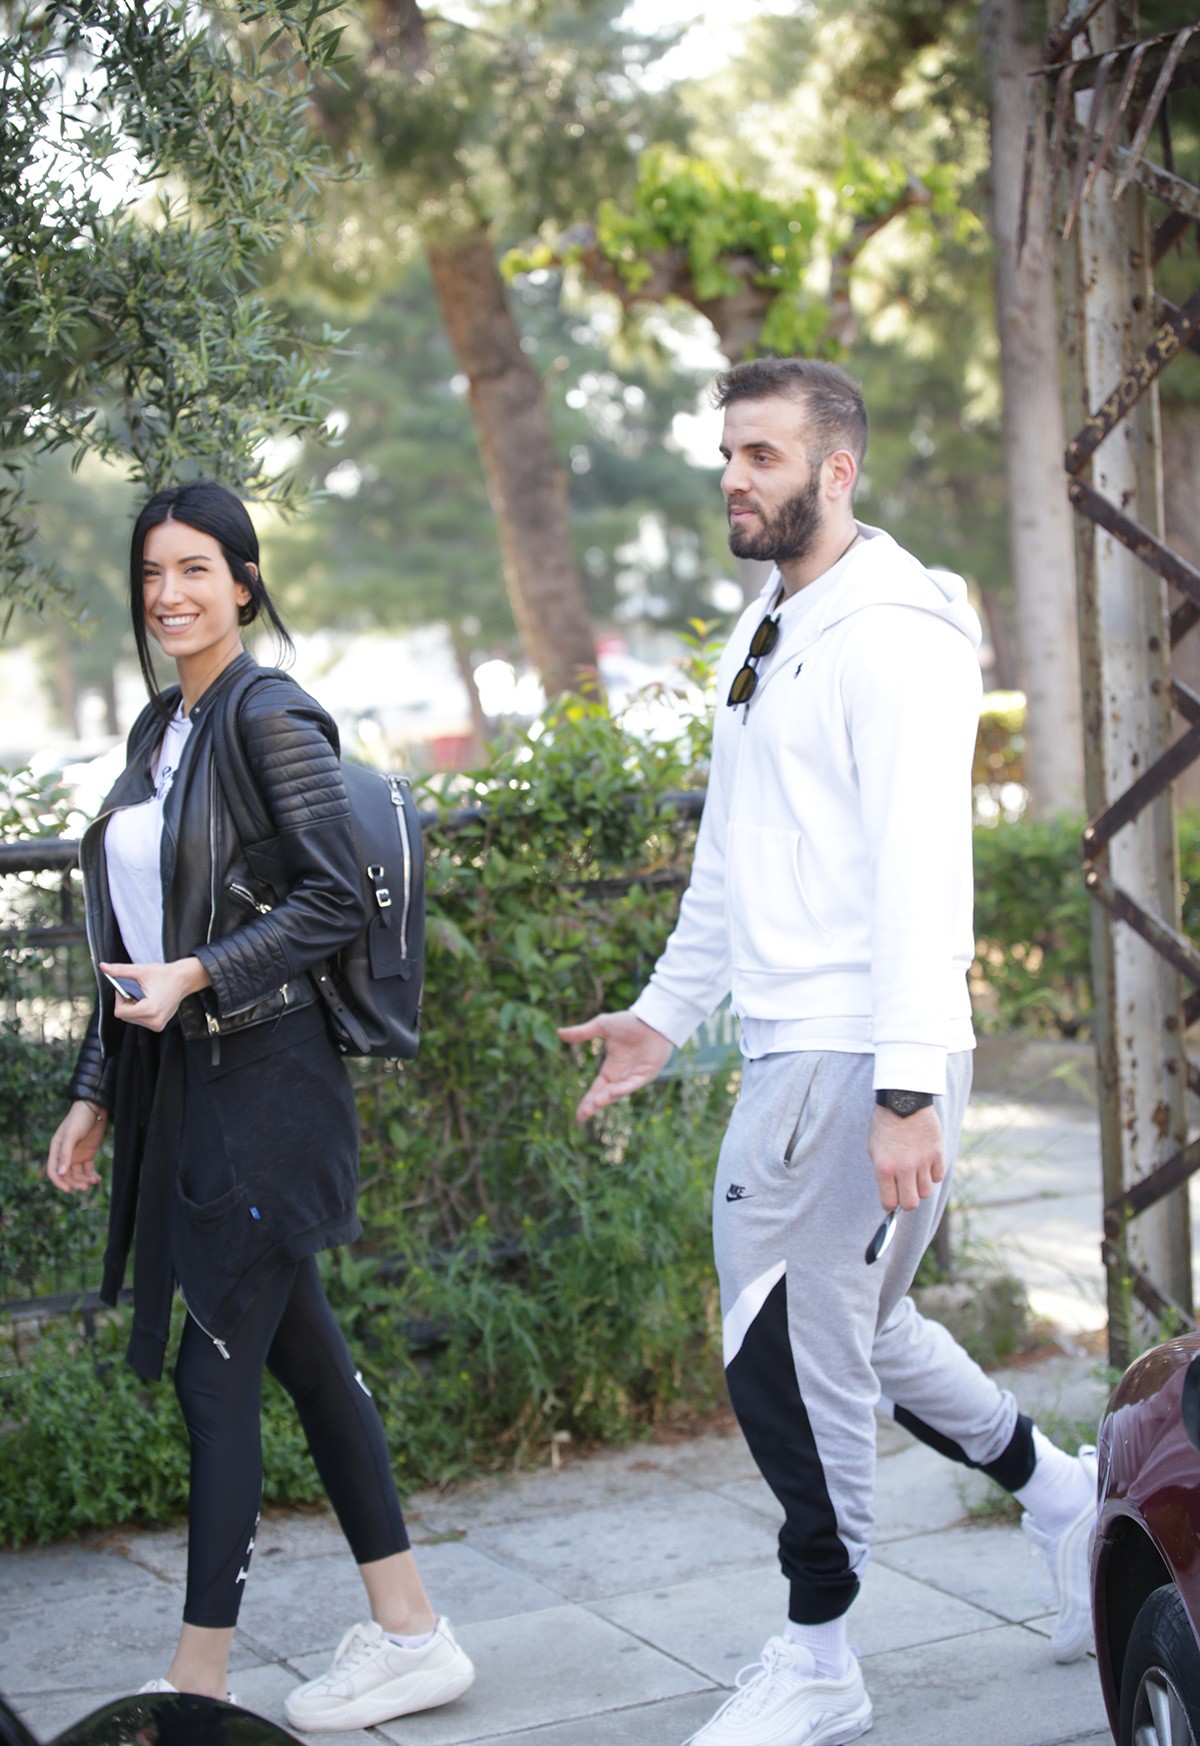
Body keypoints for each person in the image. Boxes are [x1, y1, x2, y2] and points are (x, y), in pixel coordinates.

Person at [558, 359, 1097, 1746]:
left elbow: (924, 873)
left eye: (764, 455)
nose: (734, 478)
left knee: (780, 1350)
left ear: (837, 471)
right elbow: (732, 859)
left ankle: (819, 1657)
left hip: (859, 1055)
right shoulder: (771, 624)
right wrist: (664, 1015)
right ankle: (1068, 1501)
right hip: (803, 1048)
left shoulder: (896, 635)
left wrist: (905, 1089)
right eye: (727, 454)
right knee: (860, 1327)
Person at [45, 481, 474, 1733]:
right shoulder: (160, 730)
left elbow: (331, 897)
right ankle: (412, 1634)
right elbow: (134, 932)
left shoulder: (268, 713)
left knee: (214, 1379)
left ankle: (197, 1687)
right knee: (312, 1364)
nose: (168, 594)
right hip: (186, 1086)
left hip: (268, 1090)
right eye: (151, 573)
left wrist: (199, 975)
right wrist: (93, 1093)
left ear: (243, 581)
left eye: (195, 569)